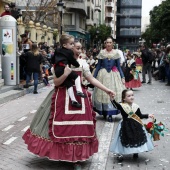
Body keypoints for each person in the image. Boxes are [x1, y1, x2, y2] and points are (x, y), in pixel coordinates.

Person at [22, 40, 115, 169]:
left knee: (79, 129)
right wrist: (65, 74)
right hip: (61, 96)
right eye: (76, 47)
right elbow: (56, 82)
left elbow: (91, 79)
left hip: (80, 98)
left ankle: (75, 157)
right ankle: (64, 154)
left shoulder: (82, 63)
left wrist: (107, 89)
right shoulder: (61, 63)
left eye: (80, 48)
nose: (79, 50)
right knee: (62, 129)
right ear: (69, 48)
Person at [110, 89, 154, 161]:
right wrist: (112, 100)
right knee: (124, 138)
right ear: (124, 98)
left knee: (136, 138)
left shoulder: (136, 106)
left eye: (132, 95)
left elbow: (140, 115)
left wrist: (148, 115)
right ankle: (121, 152)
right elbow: (116, 106)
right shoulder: (122, 105)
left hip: (136, 125)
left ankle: (135, 152)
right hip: (125, 125)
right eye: (129, 96)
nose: (131, 97)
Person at [93, 36, 125, 122]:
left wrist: (122, 77)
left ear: (113, 44)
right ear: (105, 43)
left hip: (113, 75)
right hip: (102, 75)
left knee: (112, 93)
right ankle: (104, 111)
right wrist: (93, 78)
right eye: (107, 42)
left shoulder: (116, 53)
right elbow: (98, 66)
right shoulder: (102, 53)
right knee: (103, 93)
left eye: (110, 42)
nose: (109, 44)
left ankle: (110, 113)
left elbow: (119, 66)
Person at [52, 34, 86, 108]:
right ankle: (79, 90)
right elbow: (73, 61)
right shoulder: (69, 52)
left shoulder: (57, 50)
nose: (72, 46)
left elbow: (53, 59)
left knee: (69, 84)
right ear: (64, 45)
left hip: (57, 69)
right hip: (64, 68)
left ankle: (73, 100)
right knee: (76, 76)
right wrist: (77, 65)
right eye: (71, 44)